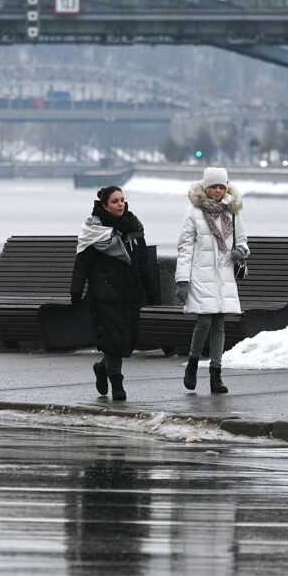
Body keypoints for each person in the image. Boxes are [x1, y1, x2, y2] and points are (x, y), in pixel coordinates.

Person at [70, 185, 159, 401]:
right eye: (114, 201)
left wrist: (153, 291)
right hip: (104, 294)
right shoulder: (95, 230)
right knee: (112, 339)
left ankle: (102, 368)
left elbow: (143, 262)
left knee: (127, 340)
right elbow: (82, 263)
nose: (120, 204)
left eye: (122, 200)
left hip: (130, 293)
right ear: (104, 205)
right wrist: (76, 291)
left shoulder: (134, 227)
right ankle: (116, 383)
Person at [174, 167, 248, 394]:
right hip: (201, 274)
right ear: (205, 188)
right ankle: (193, 363)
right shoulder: (193, 212)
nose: (217, 191)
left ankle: (216, 374)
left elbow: (243, 241)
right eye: (213, 187)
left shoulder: (232, 211)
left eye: (221, 187)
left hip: (224, 274)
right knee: (204, 320)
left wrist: (240, 251)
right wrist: (182, 280)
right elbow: (185, 248)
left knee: (219, 324)